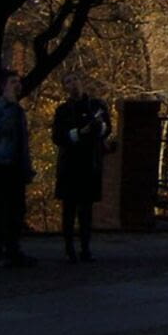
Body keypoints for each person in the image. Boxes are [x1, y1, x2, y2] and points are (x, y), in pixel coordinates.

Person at [52, 74, 111, 262]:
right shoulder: (63, 110)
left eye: (75, 79)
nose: (73, 84)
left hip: (90, 163)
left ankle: (86, 248)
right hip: (70, 164)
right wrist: (79, 133)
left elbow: (107, 129)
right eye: (68, 81)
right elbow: (58, 136)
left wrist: (99, 127)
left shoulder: (97, 106)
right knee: (68, 209)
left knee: (86, 210)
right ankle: (69, 248)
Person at [0, 67, 36, 268]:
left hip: (16, 166)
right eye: (13, 82)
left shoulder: (18, 110)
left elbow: (22, 143)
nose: (18, 85)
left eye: (18, 82)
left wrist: (27, 166)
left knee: (16, 210)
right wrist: (11, 109)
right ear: (4, 86)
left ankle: (13, 250)